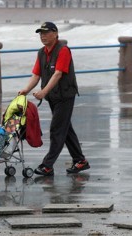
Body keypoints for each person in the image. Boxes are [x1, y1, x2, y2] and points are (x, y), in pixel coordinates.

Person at [18, 21, 90, 177]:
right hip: (53, 97)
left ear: (56, 34)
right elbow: (36, 75)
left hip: (65, 96)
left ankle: (47, 165)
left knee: (57, 129)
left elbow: (58, 74)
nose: (43, 36)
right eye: (41, 33)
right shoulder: (41, 52)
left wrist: (43, 92)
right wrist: (26, 89)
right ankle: (80, 160)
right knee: (66, 129)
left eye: (46, 33)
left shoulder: (63, 51)